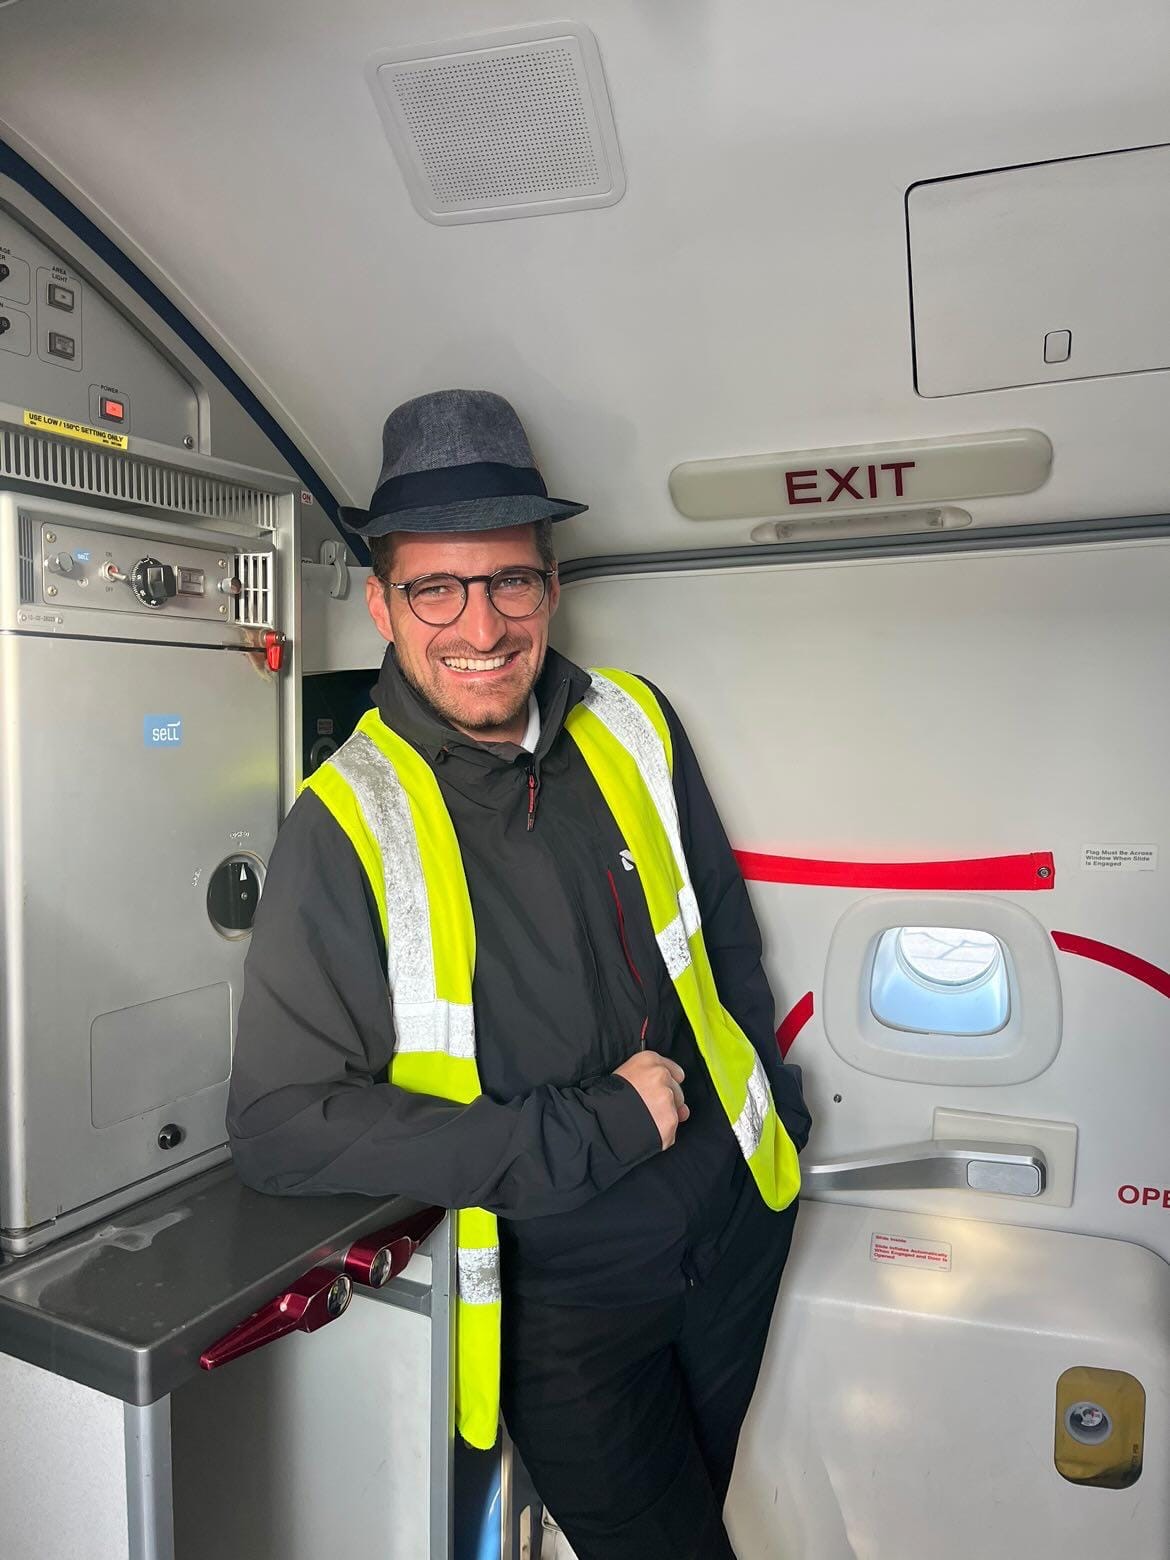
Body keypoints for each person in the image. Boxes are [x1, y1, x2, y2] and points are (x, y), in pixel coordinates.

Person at [226, 388, 810, 1560]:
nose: (480, 625)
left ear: (551, 586)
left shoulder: (633, 720)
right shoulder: (343, 822)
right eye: (436, 589)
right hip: (568, 1299)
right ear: (384, 606)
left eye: (509, 583)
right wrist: (588, 1133)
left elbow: (724, 942)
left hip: (735, 1222)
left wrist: (769, 1120)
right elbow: (280, 1129)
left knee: (701, 1512)